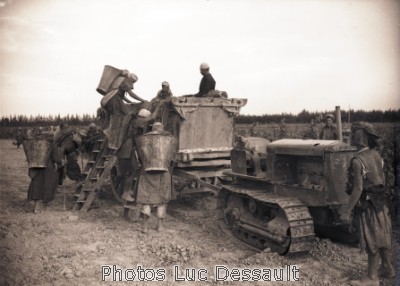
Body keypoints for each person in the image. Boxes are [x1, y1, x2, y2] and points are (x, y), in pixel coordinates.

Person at [339, 122, 394, 286]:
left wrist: (347, 210)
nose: (350, 134)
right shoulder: (377, 155)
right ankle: (387, 267)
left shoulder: (357, 161)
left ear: (359, 137)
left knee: (372, 240)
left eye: (353, 132)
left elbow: (357, 189)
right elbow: (381, 180)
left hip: (368, 205)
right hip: (380, 203)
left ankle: (372, 277)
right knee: (383, 234)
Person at [135, 122, 175, 233]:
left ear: (152, 128)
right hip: (163, 174)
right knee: (162, 201)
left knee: (146, 200)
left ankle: (145, 227)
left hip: (147, 173)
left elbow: (140, 157)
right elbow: (172, 157)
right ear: (162, 128)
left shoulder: (143, 139)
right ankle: (160, 226)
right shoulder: (169, 139)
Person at [118, 105, 163, 203]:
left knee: (131, 171)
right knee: (130, 172)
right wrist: (158, 106)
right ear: (142, 117)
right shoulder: (136, 122)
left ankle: (127, 191)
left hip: (127, 151)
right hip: (127, 151)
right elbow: (151, 118)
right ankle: (126, 193)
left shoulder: (133, 123)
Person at [101, 70, 147, 149]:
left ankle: (110, 132)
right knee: (119, 116)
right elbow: (131, 94)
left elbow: (122, 96)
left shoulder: (119, 80)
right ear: (131, 80)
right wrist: (142, 100)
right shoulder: (125, 81)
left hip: (109, 100)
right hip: (114, 100)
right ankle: (111, 134)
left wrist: (130, 102)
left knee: (118, 116)